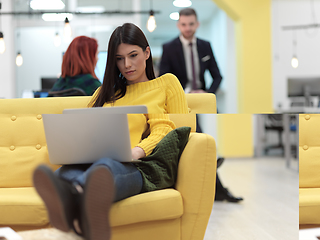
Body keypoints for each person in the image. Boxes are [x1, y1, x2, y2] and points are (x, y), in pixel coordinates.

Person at [33, 23, 189, 240]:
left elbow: (172, 130)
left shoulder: (166, 84)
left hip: (137, 166)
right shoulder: (104, 92)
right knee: (63, 173)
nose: (127, 64)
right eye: (119, 58)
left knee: (105, 169)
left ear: (147, 53)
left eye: (133, 55)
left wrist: (137, 150)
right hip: (94, 163)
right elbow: (84, 128)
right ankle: (83, 210)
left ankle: (73, 201)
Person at [159, 8, 243, 203]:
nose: (188, 28)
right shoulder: (169, 48)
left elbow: (217, 75)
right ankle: (215, 167)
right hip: (180, 101)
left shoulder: (205, 46)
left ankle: (216, 174)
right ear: (178, 25)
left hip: (203, 100)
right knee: (197, 136)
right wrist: (182, 95)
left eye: (191, 24)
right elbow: (164, 79)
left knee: (206, 129)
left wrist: (207, 93)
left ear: (197, 24)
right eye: (184, 24)